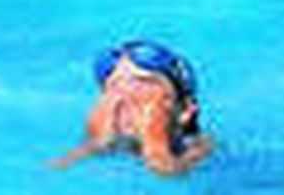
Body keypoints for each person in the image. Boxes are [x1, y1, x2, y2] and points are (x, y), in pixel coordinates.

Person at [51, 40, 212, 176]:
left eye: (143, 83)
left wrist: (156, 149)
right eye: (115, 86)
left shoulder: (200, 148)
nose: (125, 96)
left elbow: (172, 176)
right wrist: (92, 144)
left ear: (185, 111)